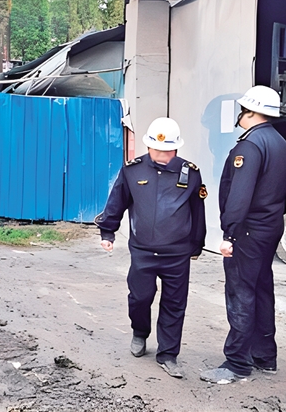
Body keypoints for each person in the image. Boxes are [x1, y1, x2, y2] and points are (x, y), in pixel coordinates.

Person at [96, 117, 207, 379]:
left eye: (167, 151)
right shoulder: (132, 171)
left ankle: (168, 354)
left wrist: (196, 243)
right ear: (148, 146)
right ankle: (139, 332)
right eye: (157, 150)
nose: (161, 155)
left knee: (174, 304)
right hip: (143, 250)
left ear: (176, 148)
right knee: (140, 297)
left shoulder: (190, 173)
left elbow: (197, 211)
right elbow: (117, 201)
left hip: (177, 253)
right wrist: (107, 231)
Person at [201, 85, 286, 385]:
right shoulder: (279, 142)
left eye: (243, 110)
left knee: (240, 292)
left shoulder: (250, 145)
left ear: (251, 112)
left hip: (248, 231)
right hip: (269, 228)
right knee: (262, 289)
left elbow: (239, 195)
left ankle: (237, 362)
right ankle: (265, 356)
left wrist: (229, 233)